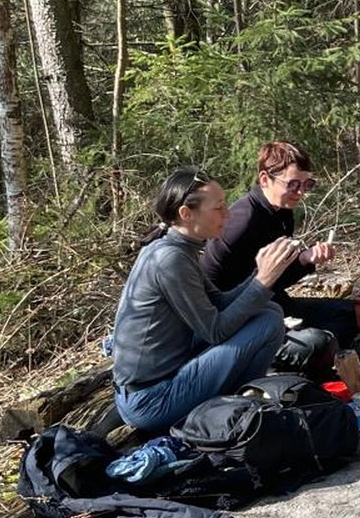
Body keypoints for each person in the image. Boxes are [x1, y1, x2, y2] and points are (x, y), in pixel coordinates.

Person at [107, 167, 293, 431]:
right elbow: (215, 331)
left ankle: (244, 398)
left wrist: (263, 274)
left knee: (269, 311)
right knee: (267, 322)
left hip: (162, 380)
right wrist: (262, 281)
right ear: (186, 214)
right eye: (218, 208)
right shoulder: (169, 259)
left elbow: (217, 302)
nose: (227, 214)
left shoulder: (178, 249)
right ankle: (244, 406)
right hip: (151, 400)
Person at [201, 141, 359, 346]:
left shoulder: (282, 212)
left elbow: (276, 279)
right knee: (317, 342)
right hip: (236, 318)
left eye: (306, 185)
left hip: (269, 302)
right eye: (293, 184)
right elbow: (213, 289)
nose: (301, 192)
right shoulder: (241, 222)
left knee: (352, 313)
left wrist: (304, 259)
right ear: (265, 179)